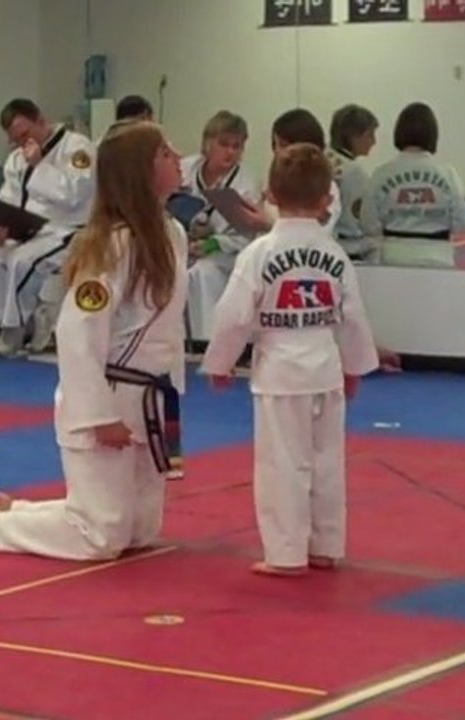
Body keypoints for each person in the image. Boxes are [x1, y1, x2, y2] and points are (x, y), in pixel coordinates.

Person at [0, 120, 188, 560]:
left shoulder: (173, 233)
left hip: (149, 395)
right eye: (166, 154)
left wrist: (174, 392)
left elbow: (167, 331)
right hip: (105, 391)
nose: (178, 158)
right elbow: (77, 334)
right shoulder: (110, 246)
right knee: (101, 538)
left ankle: (16, 510)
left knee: (139, 531)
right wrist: (98, 415)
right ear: (140, 172)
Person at [201, 143, 380, 575]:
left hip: (280, 372)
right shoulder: (334, 254)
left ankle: (286, 554)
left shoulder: (260, 253)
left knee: (282, 464)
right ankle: (326, 545)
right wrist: (354, 367)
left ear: (271, 195)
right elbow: (353, 317)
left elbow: (233, 315)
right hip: (325, 366)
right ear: (326, 200)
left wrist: (220, 362)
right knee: (327, 461)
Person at [0, 98, 96, 357]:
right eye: (15, 139)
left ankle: (13, 329)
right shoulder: (16, 159)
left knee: (22, 260)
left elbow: (74, 195)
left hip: (69, 232)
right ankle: (23, 321)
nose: (21, 143)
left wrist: (40, 166)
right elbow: (7, 201)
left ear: (41, 121)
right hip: (27, 233)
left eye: (25, 134)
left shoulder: (78, 148)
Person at [359, 102, 465, 268]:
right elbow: (463, 222)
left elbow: (368, 223)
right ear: (433, 135)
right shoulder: (448, 174)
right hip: (438, 258)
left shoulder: (381, 174)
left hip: (393, 258)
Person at [181, 110, 262, 338]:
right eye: (224, 144)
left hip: (226, 257)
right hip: (182, 246)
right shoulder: (185, 170)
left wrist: (213, 243)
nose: (230, 152)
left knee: (202, 273)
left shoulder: (247, 184)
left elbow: (248, 236)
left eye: (237, 146)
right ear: (208, 143)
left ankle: (205, 340)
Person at [327, 104, 379, 261]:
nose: (374, 141)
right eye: (370, 135)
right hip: (348, 251)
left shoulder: (321, 158)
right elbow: (357, 223)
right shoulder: (354, 173)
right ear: (354, 136)